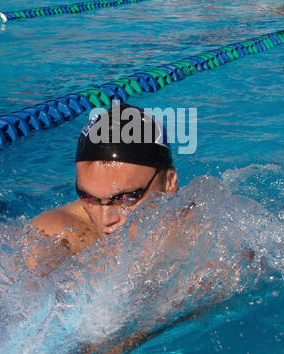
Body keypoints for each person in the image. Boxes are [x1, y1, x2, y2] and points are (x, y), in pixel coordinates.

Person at [28, 104, 178, 260]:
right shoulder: (56, 235)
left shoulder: (198, 229)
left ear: (169, 182)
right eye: (89, 198)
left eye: (125, 199)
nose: (105, 219)